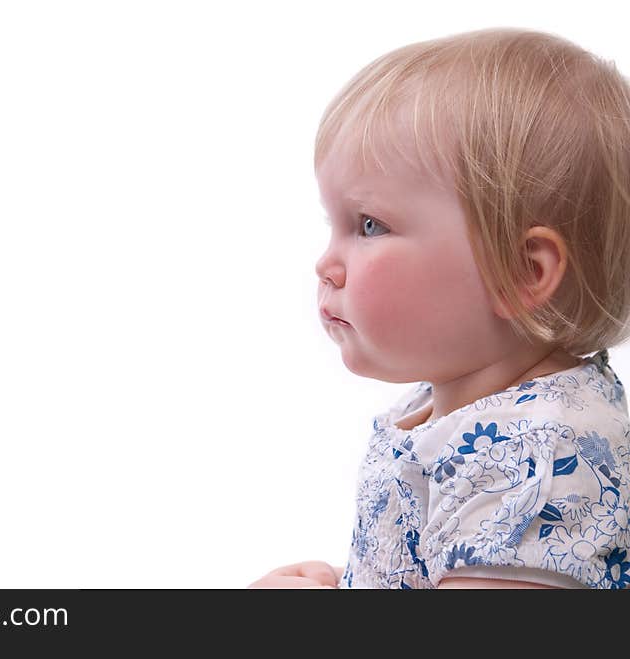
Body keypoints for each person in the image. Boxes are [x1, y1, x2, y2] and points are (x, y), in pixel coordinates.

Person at [249, 27, 630, 589]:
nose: (327, 264)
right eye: (334, 225)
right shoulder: (461, 407)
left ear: (522, 272)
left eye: (369, 225)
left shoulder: (538, 460)